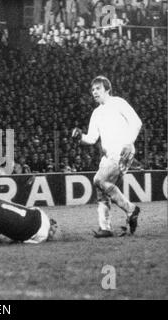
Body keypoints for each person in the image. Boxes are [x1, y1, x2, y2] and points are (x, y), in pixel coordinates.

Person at [72, 76, 142, 238]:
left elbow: (136, 122)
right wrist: (80, 136)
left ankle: (131, 209)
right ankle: (105, 228)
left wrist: (129, 142)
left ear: (107, 89)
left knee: (99, 180)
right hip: (108, 155)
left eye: (98, 88)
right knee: (101, 190)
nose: (94, 92)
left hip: (123, 151)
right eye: (92, 90)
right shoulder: (96, 113)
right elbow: (91, 138)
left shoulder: (118, 103)